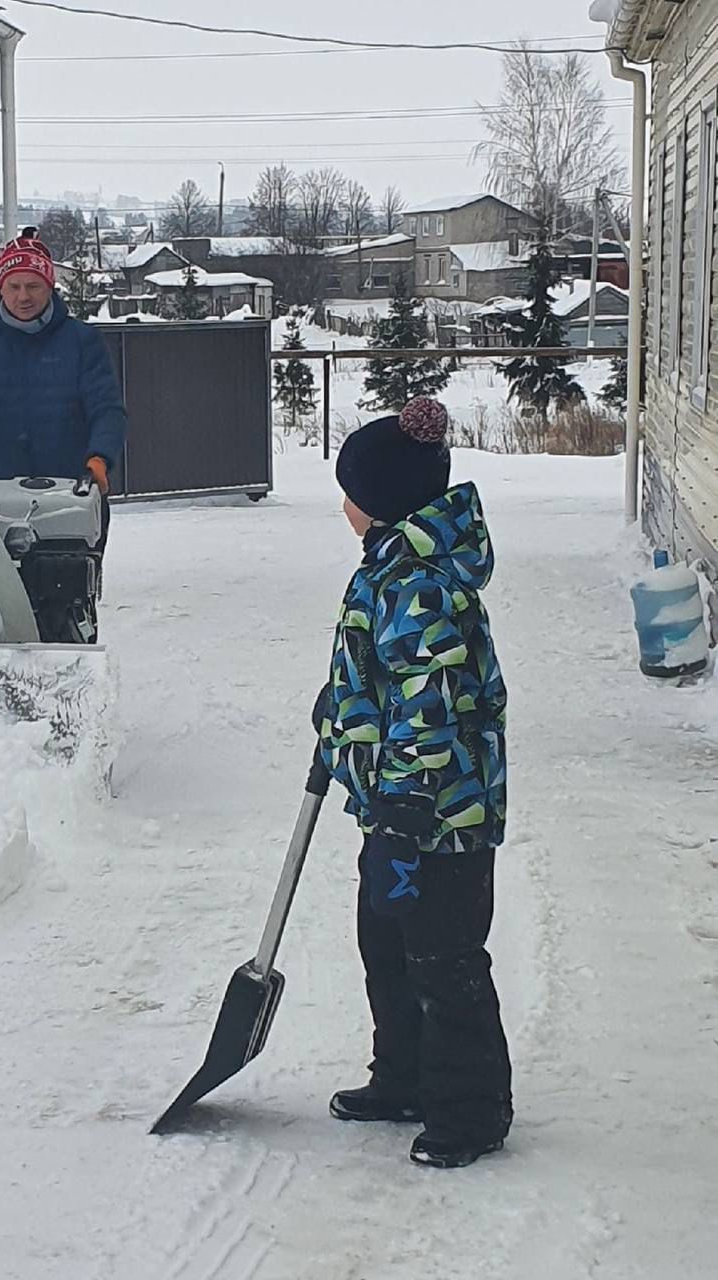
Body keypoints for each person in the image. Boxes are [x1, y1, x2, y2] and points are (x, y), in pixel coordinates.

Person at [315, 398, 512, 1169]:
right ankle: (403, 1077)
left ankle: (470, 1110)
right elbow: (385, 673)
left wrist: (402, 803)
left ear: (387, 501)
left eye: (351, 492)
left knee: (443, 957)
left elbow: (428, 709)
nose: (343, 507)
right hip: (395, 808)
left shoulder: (421, 584)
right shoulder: (391, 568)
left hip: (441, 814)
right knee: (387, 946)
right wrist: (341, 706)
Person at [0, 229, 127, 522]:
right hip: (4, 497)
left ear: (50, 286)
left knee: (70, 566)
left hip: (75, 493)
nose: (23, 297)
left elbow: (107, 409)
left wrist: (99, 458)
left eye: (33, 286)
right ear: (1, 289)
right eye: (14, 287)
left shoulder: (82, 341)